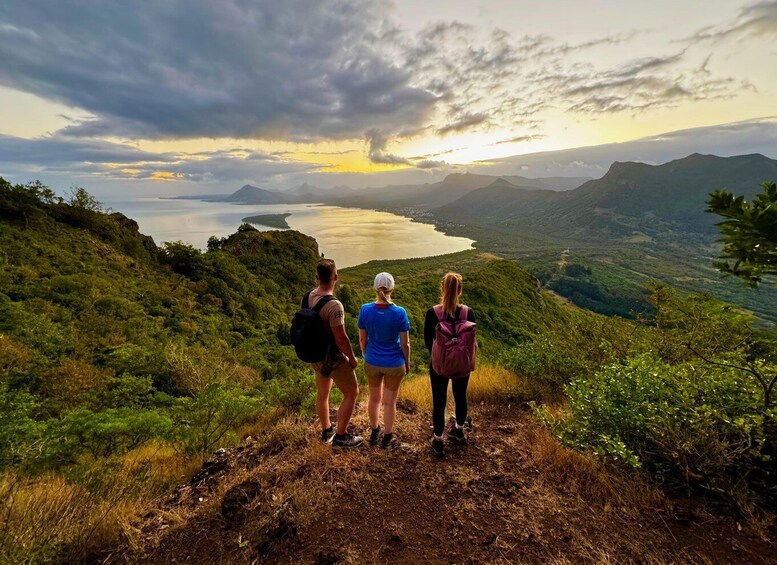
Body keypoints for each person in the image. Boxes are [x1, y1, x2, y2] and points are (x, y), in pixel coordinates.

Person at [306, 259, 363, 448]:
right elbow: (341, 338)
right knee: (352, 392)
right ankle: (341, 436)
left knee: (322, 393)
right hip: (332, 357)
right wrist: (352, 359)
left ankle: (326, 430)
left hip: (315, 354)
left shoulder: (308, 296)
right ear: (336, 277)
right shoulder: (334, 305)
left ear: (317, 277)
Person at [424, 272, 476, 458]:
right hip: (462, 362)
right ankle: (459, 430)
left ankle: (438, 441)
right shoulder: (468, 312)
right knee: (460, 395)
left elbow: (427, 342)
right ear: (460, 290)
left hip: (439, 365)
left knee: (439, 401)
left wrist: (442, 355)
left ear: (442, 289)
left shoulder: (433, 313)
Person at [358, 272, 411, 449]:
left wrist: (367, 355)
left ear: (375, 288)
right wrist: (407, 363)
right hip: (394, 363)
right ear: (392, 288)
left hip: (372, 361)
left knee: (374, 399)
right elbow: (406, 344)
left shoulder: (365, 309)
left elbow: (362, 339)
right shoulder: (399, 312)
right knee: (389, 402)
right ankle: (387, 437)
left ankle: (375, 431)